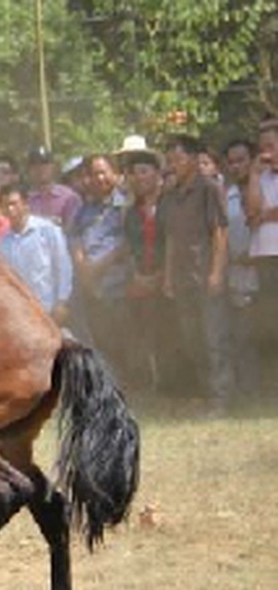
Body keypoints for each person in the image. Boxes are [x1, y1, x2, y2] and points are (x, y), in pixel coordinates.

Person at [160, 134, 231, 413]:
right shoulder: (170, 195)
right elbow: (169, 239)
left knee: (214, 338)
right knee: (192, 340)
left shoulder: (209, 188)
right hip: (181, 277)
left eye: (178, 159)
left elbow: (219, 233)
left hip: (204, 274)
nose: (173, 165)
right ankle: (205, 395)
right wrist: (167, 276)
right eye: (170, 160)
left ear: (192, 158)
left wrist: (216, 272)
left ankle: (221, 398)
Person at [70, 154, 131, 370]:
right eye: (95, 174)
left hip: (119, 287)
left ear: (115, 173)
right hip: (92, 289)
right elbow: (76, 241)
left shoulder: (126, 206)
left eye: (104, 172)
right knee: (102, 344)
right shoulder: (84, 210)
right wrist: (84, 270)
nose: (100, 178)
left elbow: (127, 245)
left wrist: (98, 267)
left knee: (124, 343)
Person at [120, 138, 169, 392]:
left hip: (170, 280)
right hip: (141, 282)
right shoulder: (130, 213)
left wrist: (162, 275)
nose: (138, 178)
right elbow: (130, 249)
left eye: (144, 172)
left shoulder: (171, 204)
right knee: (143, 336)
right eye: (133, 173)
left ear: (157, 174)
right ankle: (152, 386)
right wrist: (139, 277)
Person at [0, 186, 73, 325]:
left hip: (50, 310)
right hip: (23, 315)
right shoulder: (4, 243)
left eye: (14, 204)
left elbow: (63, 267)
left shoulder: (47, 230)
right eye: (5, 205)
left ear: (25, 204)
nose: (10, 209)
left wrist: (62, 302)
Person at [223, 139, 261, 398]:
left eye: (242, 160)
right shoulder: (227, 194)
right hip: (238, 275)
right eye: (232, 161)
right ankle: (249, 392)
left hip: (266, 271)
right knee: (243, 337)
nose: (236, 166)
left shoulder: (268, 187)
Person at [245, 118, 278, 387]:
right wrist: (254, 176)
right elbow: (252, 212)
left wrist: (265, 214)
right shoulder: (261, 177)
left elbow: (262, 214)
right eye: (262, 147)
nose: (266, 152)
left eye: (271, 145)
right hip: (265, 257)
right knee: (270, 322)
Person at [26, 146, 83, 231]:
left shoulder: (69, 197)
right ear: (29, 169)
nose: (41, 168)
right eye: (35, 164)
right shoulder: (25, 200)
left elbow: (74, 231)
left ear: (53, 166)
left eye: (45, 163)